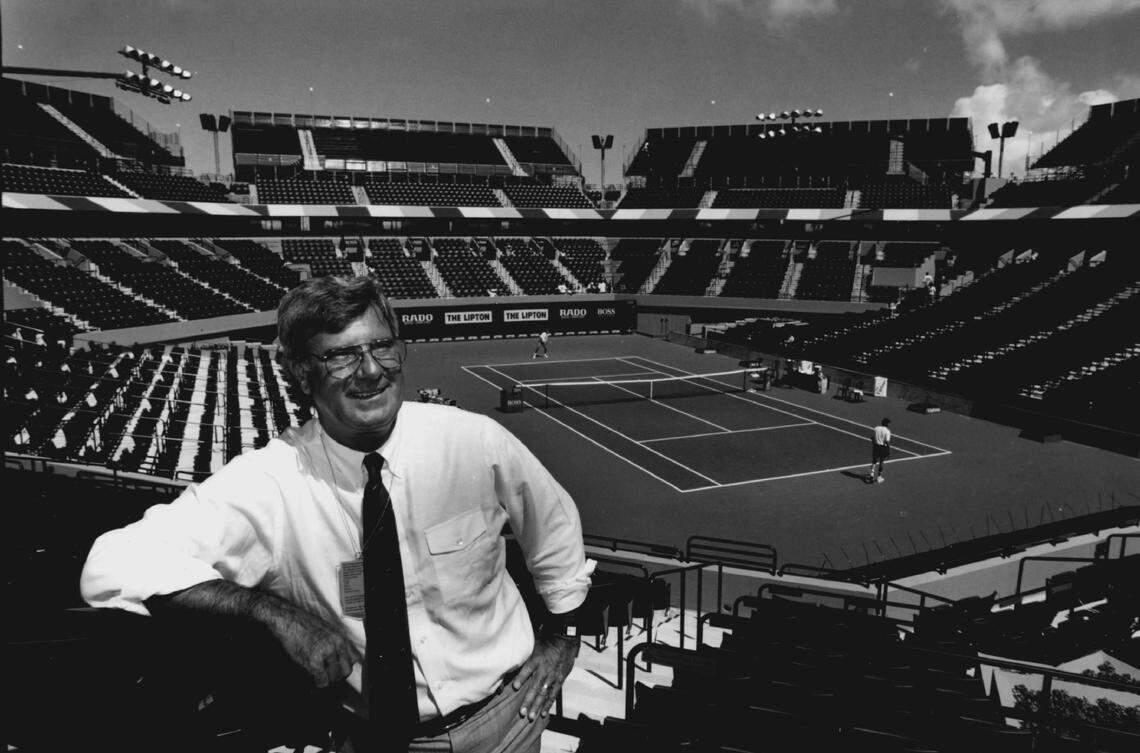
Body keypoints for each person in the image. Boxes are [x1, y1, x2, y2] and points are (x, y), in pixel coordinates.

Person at [80, 275, 592, 753]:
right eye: (342, 355)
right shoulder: (269, 483)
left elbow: (553, 526)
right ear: (302, 373)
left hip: (510, 721)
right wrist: (270, 613)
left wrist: (563, 638)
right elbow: (113, 564)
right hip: (371, 739)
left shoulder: (472, 440)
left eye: (381, 347)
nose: (371, 371)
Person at [867, 417, 892, 484]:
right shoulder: (887, 431)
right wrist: (888, 451)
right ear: (886, 424)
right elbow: (887, 442)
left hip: (876, 447)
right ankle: (879, 477)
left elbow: (872, 437)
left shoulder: (876, 428)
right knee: (881, 462)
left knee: (874, 461)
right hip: (883, 448)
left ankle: (871, 476)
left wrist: (874, 444)